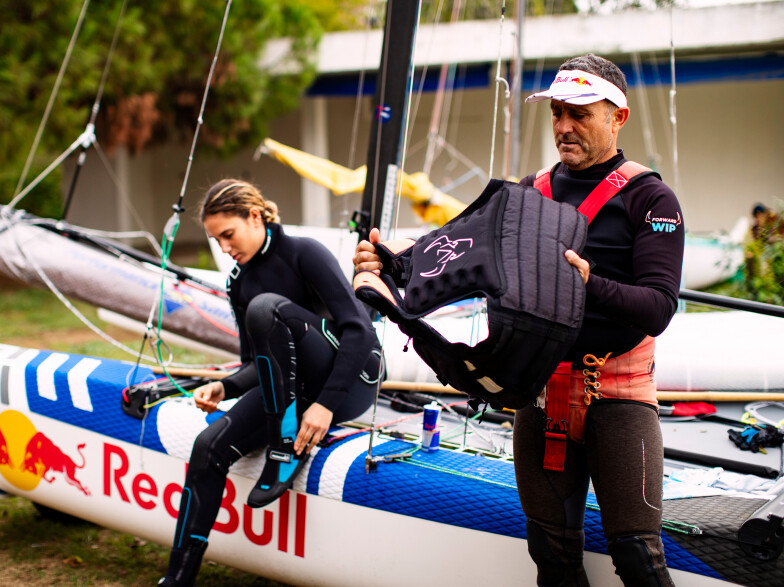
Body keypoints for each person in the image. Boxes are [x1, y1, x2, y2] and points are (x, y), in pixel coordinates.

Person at [354, 54, 684, 586]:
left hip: (619, 395)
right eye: (556, 113)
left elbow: (659, 307)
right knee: (551, 558)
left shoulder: (652, 198)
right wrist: (389, 263)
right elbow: (454, 254)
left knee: (640, 561)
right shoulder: (529, 193)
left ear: (617, 117)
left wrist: (587, 283)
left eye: (579, 114)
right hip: (539, 391)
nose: (563, 127)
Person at [160, 179, 384, 586]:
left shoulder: (303, 253)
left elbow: (360, 332)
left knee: (266, 309)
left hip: (348, 381)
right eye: (217, 241)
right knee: (207, 448)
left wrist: (326, 405)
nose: (225, 249)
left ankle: (285, 448)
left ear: (254, 215)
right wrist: (225, 387)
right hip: (289, 396)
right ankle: (178, 577)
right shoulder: (238, 283)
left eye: (228, 235)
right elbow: (256, 364)